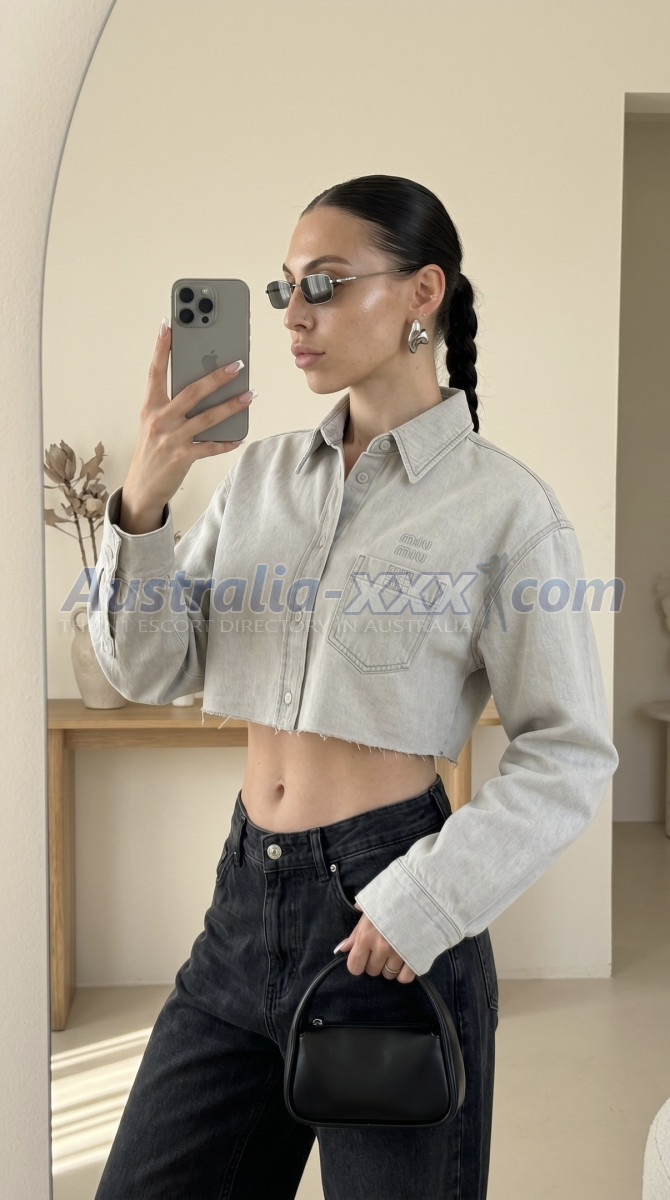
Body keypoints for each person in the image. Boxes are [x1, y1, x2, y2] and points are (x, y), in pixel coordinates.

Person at [89, 173, 618, 1200]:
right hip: (240, 913)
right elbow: (149, 667)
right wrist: (145, 498)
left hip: (389, 926)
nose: (294, 314)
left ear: (423, 292)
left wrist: (422, 904)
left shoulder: (506, 509)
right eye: (284, 286)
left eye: (325, 284)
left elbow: (567, 753)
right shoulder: (257, 478)